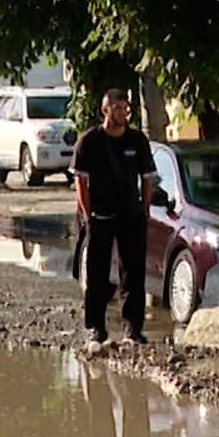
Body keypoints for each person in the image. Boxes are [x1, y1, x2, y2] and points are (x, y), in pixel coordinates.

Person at [71, 88, 158, 345]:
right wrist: (89, 214)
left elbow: (148, 177)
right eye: (117, 107)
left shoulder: (137, 141)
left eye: (125, 108)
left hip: (130, 214)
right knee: (97, 272)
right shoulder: (89, 141)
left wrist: (144, 207)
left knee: (133, 272)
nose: (122, 112)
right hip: (100, 215)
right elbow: (80, 181)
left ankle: (132, 328)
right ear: (105, 110)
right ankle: (96, 327)